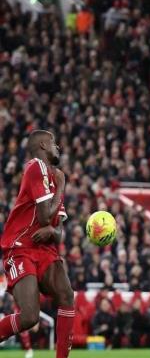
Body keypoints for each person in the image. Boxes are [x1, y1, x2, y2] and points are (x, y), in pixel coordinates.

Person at [0, 130, 74, 358]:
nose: (57, 147)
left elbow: (58, 232)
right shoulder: (36, 167)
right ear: (43, 145)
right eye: (53, 143)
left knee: (66, 296)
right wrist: (61, 187)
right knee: (30, 317)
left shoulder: (53, 176)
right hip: (20, 246)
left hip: (44, 249)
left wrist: (53, 230)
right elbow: (43, 217)